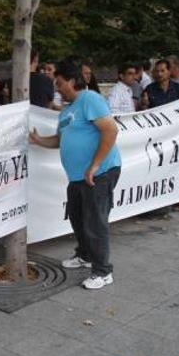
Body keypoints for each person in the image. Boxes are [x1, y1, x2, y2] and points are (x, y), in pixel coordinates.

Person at [29, 58, 121, 290]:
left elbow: (110, 129)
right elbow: (60, 140)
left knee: (94, 222)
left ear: (71, 81)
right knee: (78, 217)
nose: (57, 89)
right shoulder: (67, 111)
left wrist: (95, 165)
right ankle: (85, 255)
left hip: (99, 172)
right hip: (78, 176)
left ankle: (102, 271)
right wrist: (39, 140)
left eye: (59, 83)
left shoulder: (90, 99)